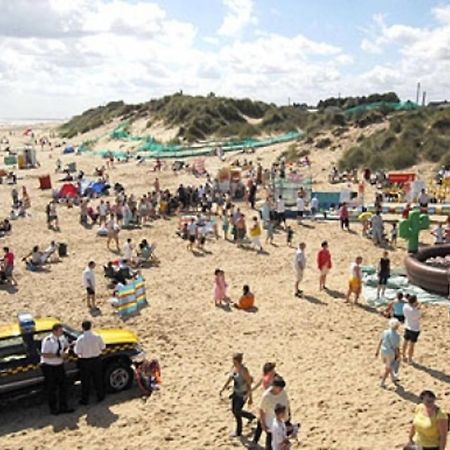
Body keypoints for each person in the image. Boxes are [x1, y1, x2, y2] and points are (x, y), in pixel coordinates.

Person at [40, 323, 74, 415]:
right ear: (54, 331)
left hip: (59, 365)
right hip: (49, 366)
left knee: (63, 387)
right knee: (52, 389)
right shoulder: (48, 340)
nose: (62, 332)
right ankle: (53, 409)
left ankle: (64, 406)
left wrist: (66, 353)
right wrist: (58, 355)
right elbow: (44, 354)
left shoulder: (62, 338)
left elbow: (67, 346)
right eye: (60, 330)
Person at [219, 353, 255, 438]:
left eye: (235, 362)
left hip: (243, 394)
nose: (233, 364)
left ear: (239, 362)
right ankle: (250, 416)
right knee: (234, 410)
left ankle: (238, 432)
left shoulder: (244, 371)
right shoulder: (234, 368)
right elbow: (230, 378)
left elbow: (249, 384)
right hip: (235, 393)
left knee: (237, 411)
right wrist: (223, 388)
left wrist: (250, 398)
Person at [253, 376, 290, 450]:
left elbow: (287, 404)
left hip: (282, 421)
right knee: (270, 443)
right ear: (274, 386)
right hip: (270, 423)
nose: (281, 390)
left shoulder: (283, 393)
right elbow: (262, 410)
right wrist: (263, 424)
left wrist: (288, 418)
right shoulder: (266, 396)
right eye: (280, 388)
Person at [74, 320, 106, 405]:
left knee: (85, 381)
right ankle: (100, 396)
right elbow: (103, 347)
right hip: (96, 360)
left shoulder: (80, 339)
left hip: (85, 362)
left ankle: (85, 400)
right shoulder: (97, 336)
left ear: (82, 327)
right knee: (98, 379)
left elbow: (77, 351)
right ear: (90, 326)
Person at [375, 318, 401, 388]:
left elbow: (381, 341)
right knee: (388, 367)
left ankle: (393, 377)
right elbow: (396, 348)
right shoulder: (397, 336)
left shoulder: (385, 332)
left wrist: (377, 350)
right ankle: (382, 382)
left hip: (383, 350)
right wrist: (398, 355)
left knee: (389, 365)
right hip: (390, 353)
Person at [402, 295, 421, 364]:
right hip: (414, 329)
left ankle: (403, 355)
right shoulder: (415, 311)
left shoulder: (405, 306)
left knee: (405, 342)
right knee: (411, 345)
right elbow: (418, 317)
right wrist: (417, 308)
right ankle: (409, 359)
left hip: (407, 326)